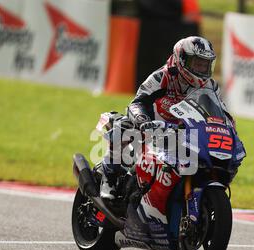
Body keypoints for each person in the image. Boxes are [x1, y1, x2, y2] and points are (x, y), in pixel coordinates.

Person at [100, 36, 237, 200]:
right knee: (123, 126)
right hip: (152, 127)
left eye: (205, 64)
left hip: (182, 132)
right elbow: (137, 103)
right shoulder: (162, 77)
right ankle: (108, 178)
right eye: (197, 63)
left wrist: (229, 127)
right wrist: (143, 121)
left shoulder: (210, 85)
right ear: (182, 59)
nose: (201, 69)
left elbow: (221, 111)